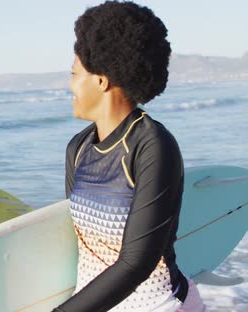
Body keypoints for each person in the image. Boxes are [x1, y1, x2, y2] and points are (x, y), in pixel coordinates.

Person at [55, 1, 206, 311]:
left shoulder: (153, 146)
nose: (69, 85)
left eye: (73, 74)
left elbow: (138, 262)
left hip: (157, 306)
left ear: (100, 81)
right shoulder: (79, 148)